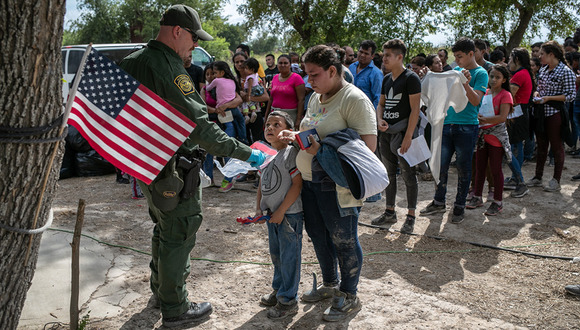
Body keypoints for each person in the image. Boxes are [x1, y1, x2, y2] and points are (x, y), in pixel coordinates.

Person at [118, 5, 265, 327]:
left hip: (147, 163)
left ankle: (162, 292)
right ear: (176, 31)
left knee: (164, 228)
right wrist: (247, 154)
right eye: (193, 38)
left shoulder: (133, 61)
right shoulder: (166, 66)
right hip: (172, 168)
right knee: (180, 231)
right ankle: (175, 308)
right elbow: (199, 128)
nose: (195, 46)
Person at [280, 44, 377, 322]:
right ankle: (331, 284)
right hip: (311, 182)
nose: (308, 81)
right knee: (320, 236)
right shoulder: (316, 97)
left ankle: (349, 295)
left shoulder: (354, 99)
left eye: (314, 75)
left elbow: (368, 147)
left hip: (338, 185)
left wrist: (321, 150)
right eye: (306, 75)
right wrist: (295, 135)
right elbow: (312, 129)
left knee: (343, 239)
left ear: (333, 71)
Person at [420, 37, 488, 224]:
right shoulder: (455, 71)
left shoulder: (481, 73)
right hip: (446, 124)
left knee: (463, 167)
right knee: (441, 165)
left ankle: (459, 205)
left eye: (459, 57)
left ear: (471, 54)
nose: (456, 61)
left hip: (467, 126)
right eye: (455, 57)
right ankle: (439, 200)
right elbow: (437, 86)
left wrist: (465, 83)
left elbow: (476, 101)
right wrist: (427, 77)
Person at [256, 111, 304, 319]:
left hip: (289, 215)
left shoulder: (291, 153)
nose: (270, 128)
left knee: (289, 256)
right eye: (268, 124)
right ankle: (279, 289)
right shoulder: (266, 155)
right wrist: (258, 208)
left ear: (288, 131)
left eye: (277, 125)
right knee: (276, 255)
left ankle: (288, 300)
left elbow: (297, 184)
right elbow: (261, 184)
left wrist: (282, 211)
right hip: (271, 216)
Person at [372, 39, 421, 234]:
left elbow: (415, 109)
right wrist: (379, 120)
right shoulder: (386, 79)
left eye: (388, 55)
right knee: (389, 174)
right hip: (386, 133)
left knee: (409, 175)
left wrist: (408, 136)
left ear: (400, 57)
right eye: (384, 55)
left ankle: (410, 216)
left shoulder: (411, 78)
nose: (384, 59)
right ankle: (389, 211)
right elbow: (381, 104)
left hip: (402, 134)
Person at [526, 41, 577, 192]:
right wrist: (537, 94)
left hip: (555, 113)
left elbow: (570, 95)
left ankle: (556, 180)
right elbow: (539, 88)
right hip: (541, 112)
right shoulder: (543, 69)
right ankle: (537, 177)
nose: (539, 56)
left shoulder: (565, 71)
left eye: (542, 54)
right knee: (541, 145)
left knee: (556, 146)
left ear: (551, 55)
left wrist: (549, 98)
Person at [466, 65, 513, 216]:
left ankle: (497, 201)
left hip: (496, 136)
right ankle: (477, 196)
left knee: (495, 169)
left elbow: (502, 117)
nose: (493, 80)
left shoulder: (505, 95)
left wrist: (485, 119)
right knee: (479, 168)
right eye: (491, 76)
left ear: (504, 80)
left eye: (497, 77)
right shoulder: (485, 93)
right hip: (482, 135)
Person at [504, 48, 535, 198]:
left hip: (517, 114)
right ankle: (516, 178)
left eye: (510, 59)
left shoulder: (520, 75)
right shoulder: (523, 73)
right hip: (520, 113)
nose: (508, 62)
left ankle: (520, 182)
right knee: (517, 147)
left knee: (512, 148)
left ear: (517, 60)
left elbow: (509, 95)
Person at [232, 52, 269, 144]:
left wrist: (249, 98)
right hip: (240, 115)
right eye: (236, 62)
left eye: (242, 61)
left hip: (255, 112)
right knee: (244, 140)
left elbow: (266, 97)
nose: (240, 64)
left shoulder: (256, 78)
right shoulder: (233, 80)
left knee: (258, 140)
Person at [264, 54, 305, 127]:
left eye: (285, 63)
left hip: (290, 116)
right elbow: (271, 99)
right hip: (274, 114)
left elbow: (301, 100)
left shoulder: (297, 78)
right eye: (280, 63)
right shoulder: (275, 78)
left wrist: (298, 120)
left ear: (290, 65)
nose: (283, 65)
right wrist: (266, 116)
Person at [349, 40, 383, 109]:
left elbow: (378, 99)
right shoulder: (351, 67)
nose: (362, 55)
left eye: (366, 53)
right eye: (360, 52)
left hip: (365, 113)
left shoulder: (376, 73)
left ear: (372, 56)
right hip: (348, 110)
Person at [241, 57, 263, 123]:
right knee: (252, 104)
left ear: (252, 69)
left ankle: (247, 116)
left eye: (246, 68)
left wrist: (248, 95)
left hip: (250, 91)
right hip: (256, 91)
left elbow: (250, 86)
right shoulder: (256, 75)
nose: (245, 70)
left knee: (245, 103)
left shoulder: (250, 77)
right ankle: (253, 112)